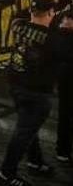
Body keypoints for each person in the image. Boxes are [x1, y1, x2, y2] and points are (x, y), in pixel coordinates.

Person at [0, 0, 67, 186]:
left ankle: (34, 161)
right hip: (36, 91)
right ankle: (6, 173)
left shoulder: (18, 25)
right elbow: (63, 52)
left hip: (16, 83)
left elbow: (22, 18)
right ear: (51, 12)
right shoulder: (53, 39)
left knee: (28, 127)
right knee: (24, 132)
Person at [56, 9, 73, 163]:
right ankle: (63, 149)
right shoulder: (64, 16)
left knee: (65, 113)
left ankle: (63, 149)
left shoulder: (62, 16)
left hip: (64, 73)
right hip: (67, 74)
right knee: (65, 113)